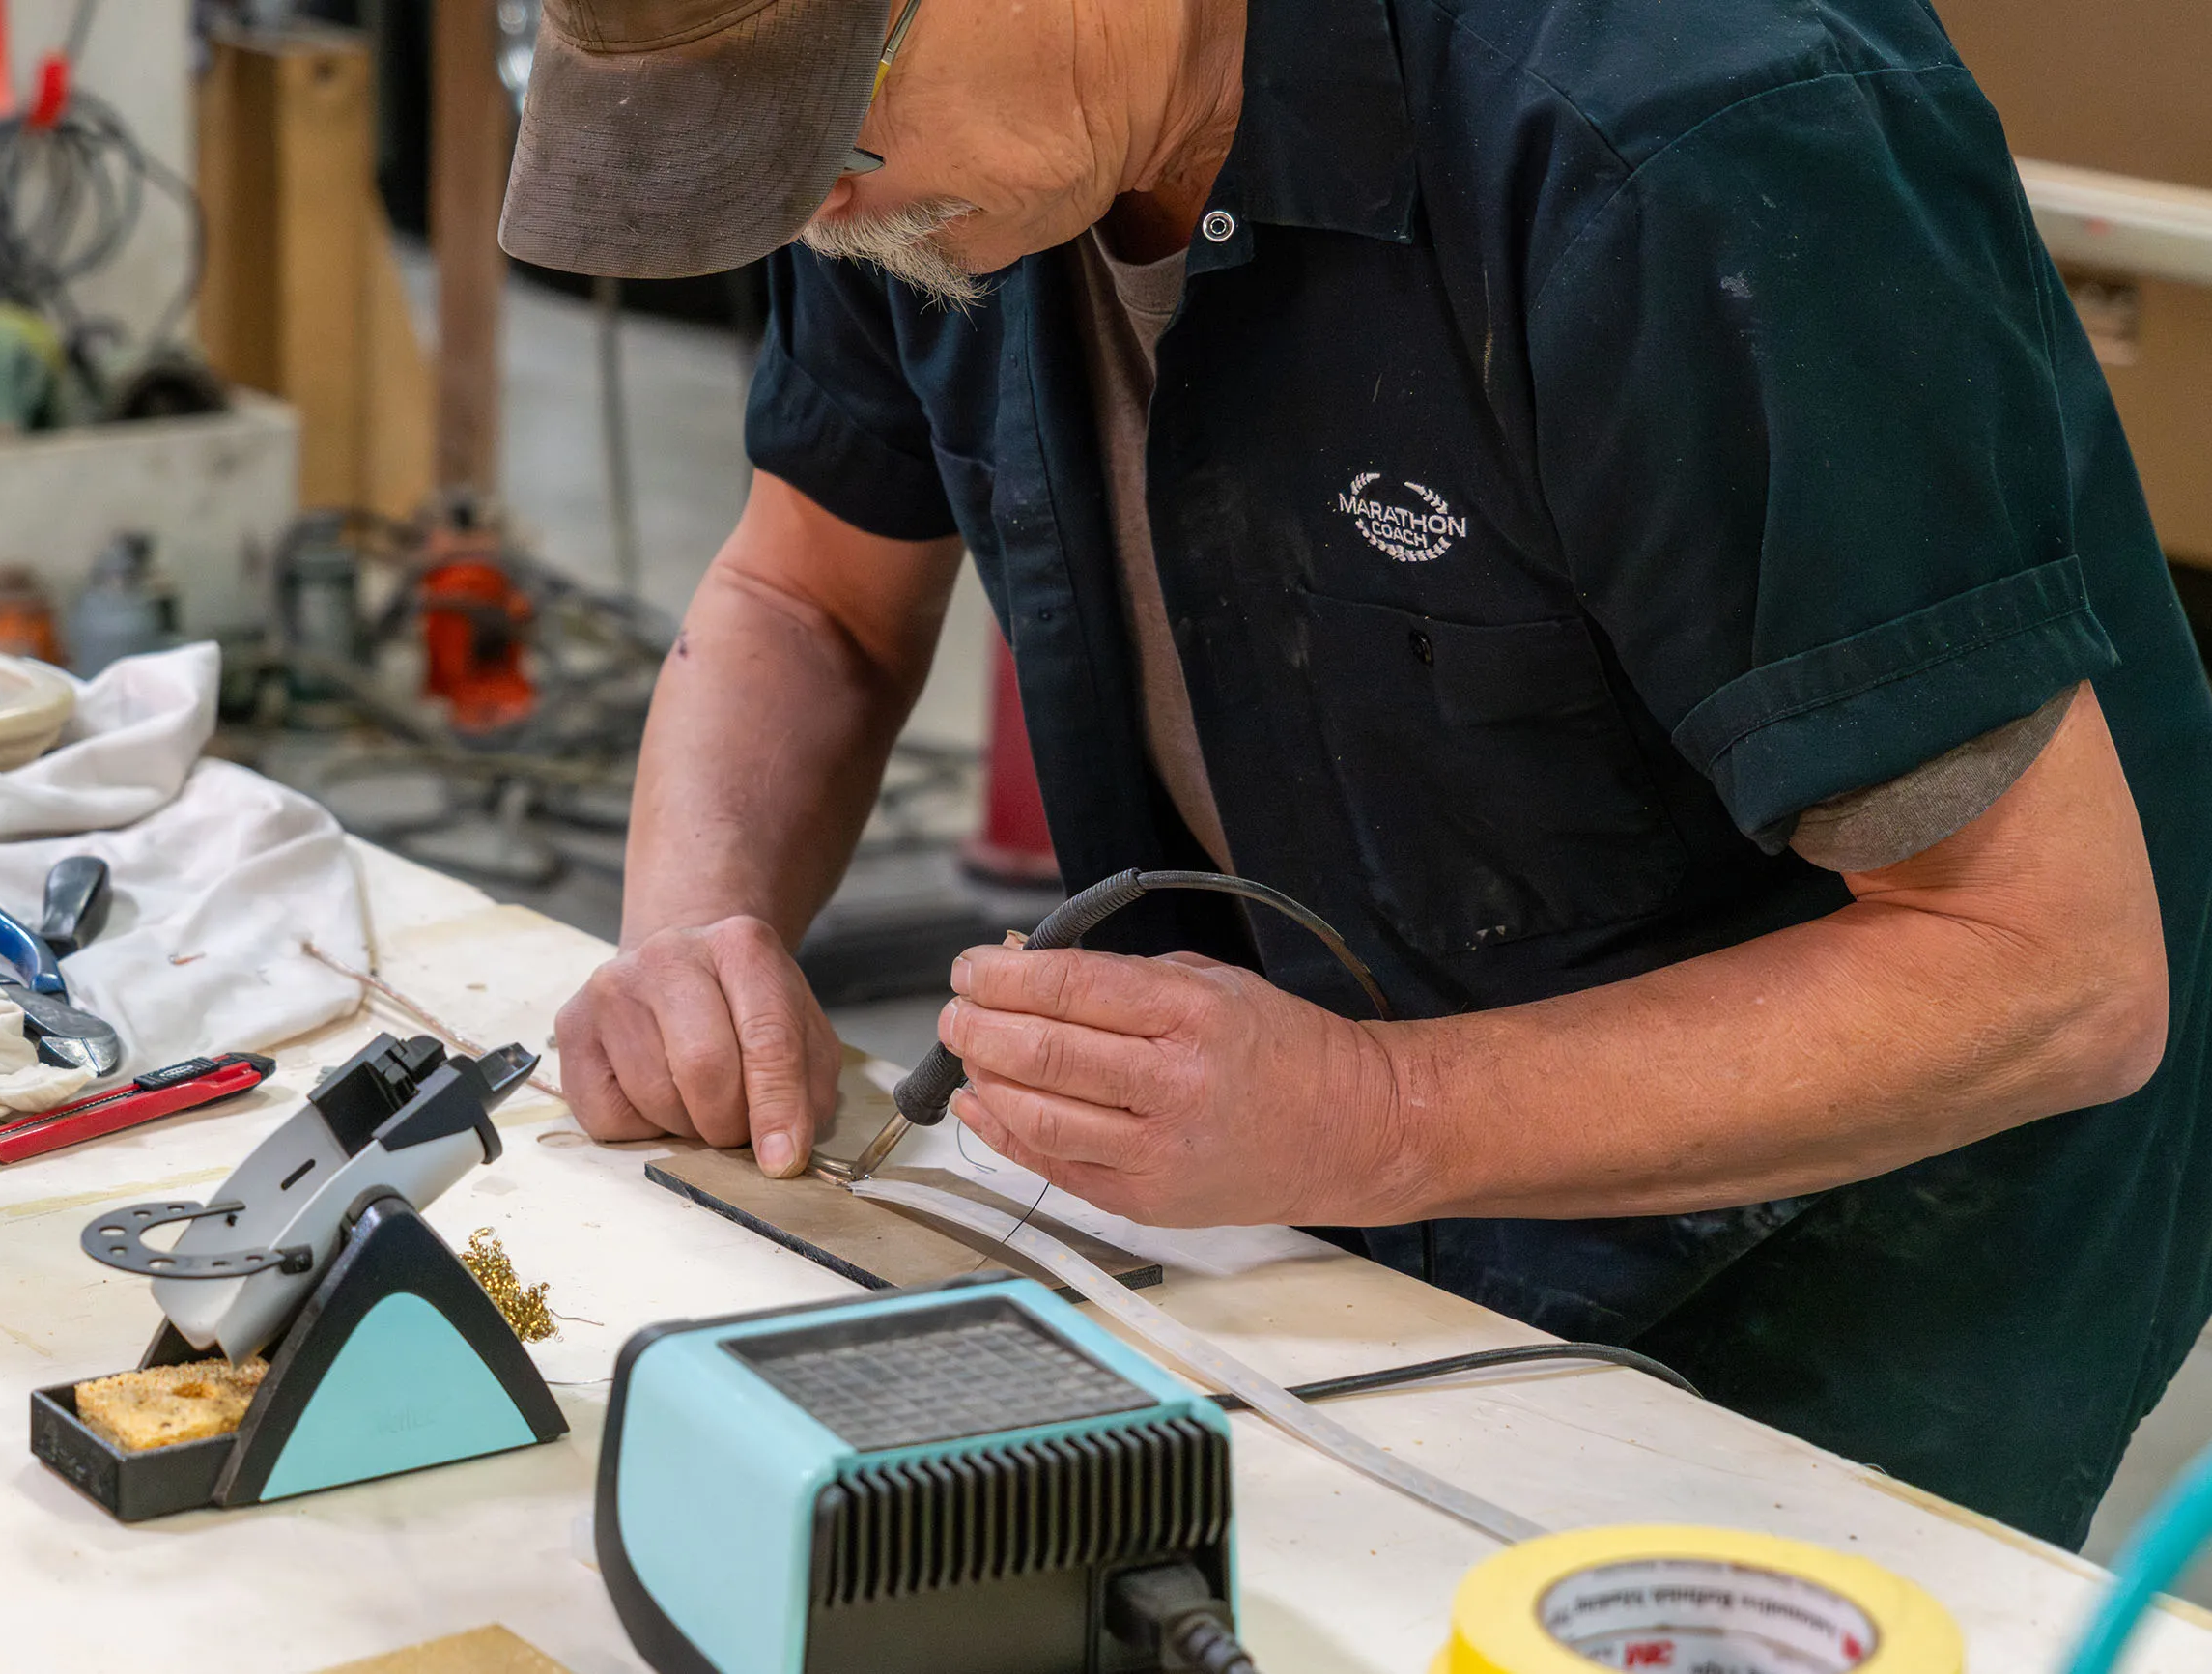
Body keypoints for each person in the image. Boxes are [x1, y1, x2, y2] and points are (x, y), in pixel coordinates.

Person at [498, 0, 2212, 1545]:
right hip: (1324, 1158)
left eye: (828, 130)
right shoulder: (921, 157)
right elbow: (812, 596)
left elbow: (2043, 974)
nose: (817, 208)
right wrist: (691, 941)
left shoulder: (1688, 137)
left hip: (1861, 1208)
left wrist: (1369, 1117)